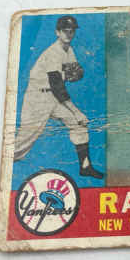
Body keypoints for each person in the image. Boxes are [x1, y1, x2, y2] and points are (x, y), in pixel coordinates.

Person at [14, 16, 103, 179]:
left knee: (78, 124)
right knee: (23, 142)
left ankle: (86, 167)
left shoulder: (69, 50)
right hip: (37, 99)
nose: (68, 34)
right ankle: (2, 161)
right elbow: (58, 87)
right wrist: (76, 111)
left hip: (53, 97)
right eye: (65, 31)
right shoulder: (53, 53)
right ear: (57, 32)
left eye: (71, 31)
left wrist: (75, 73)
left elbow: (74, 73)